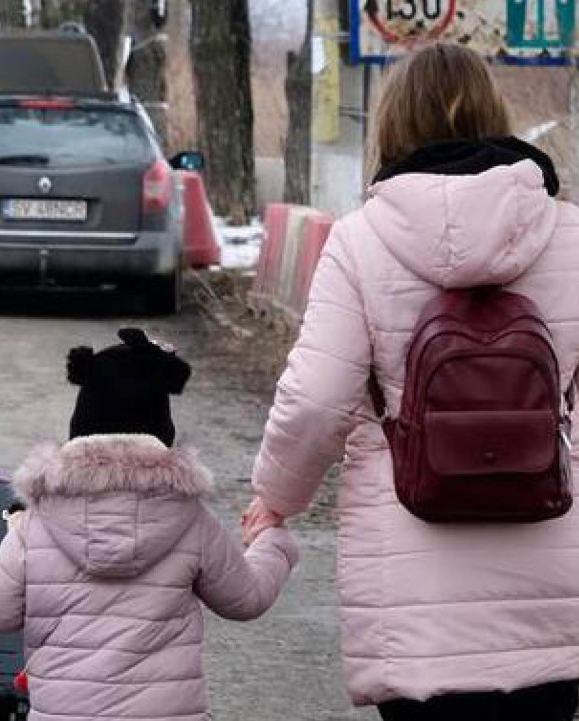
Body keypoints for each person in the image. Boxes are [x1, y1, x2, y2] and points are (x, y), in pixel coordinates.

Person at [245, 43, 579, 720]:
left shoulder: (360, 242)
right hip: (554, 584)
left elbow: (315, 402)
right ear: (493, 113)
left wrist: (276, 499)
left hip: (416, 588)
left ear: (393, 124)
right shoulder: (570, 236)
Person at [0, 330, 298, 721]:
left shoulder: (37, 521)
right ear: (162, 428)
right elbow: (245, 600)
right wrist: (271, 540)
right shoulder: (189, 518)